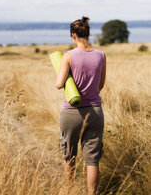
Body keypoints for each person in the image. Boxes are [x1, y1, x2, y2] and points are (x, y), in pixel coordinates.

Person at [55, 16, 106, 195]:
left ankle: (69, 190)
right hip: (95, 112)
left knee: (69, 154)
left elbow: (59, 84)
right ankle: (92, 193)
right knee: (92, 159)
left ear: (73, 35)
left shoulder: (68, 56)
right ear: (88, 34)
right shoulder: (101, 55)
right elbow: (100, 85)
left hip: (72, 112)